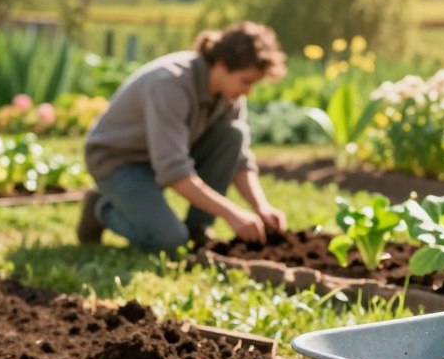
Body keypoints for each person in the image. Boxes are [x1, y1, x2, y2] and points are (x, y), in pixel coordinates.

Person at [77, 20, 288, 252]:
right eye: (245, 81)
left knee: (233, 135)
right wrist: (232, 213)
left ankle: (199, 228)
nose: (248, 91)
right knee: (169, 241)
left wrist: (261, 206)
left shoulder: (228, 94)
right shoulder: (170, 84)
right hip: (118, 162)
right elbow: (173, 171)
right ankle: (101, 209)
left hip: (160, 157)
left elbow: (239, 159)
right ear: (221, 64)